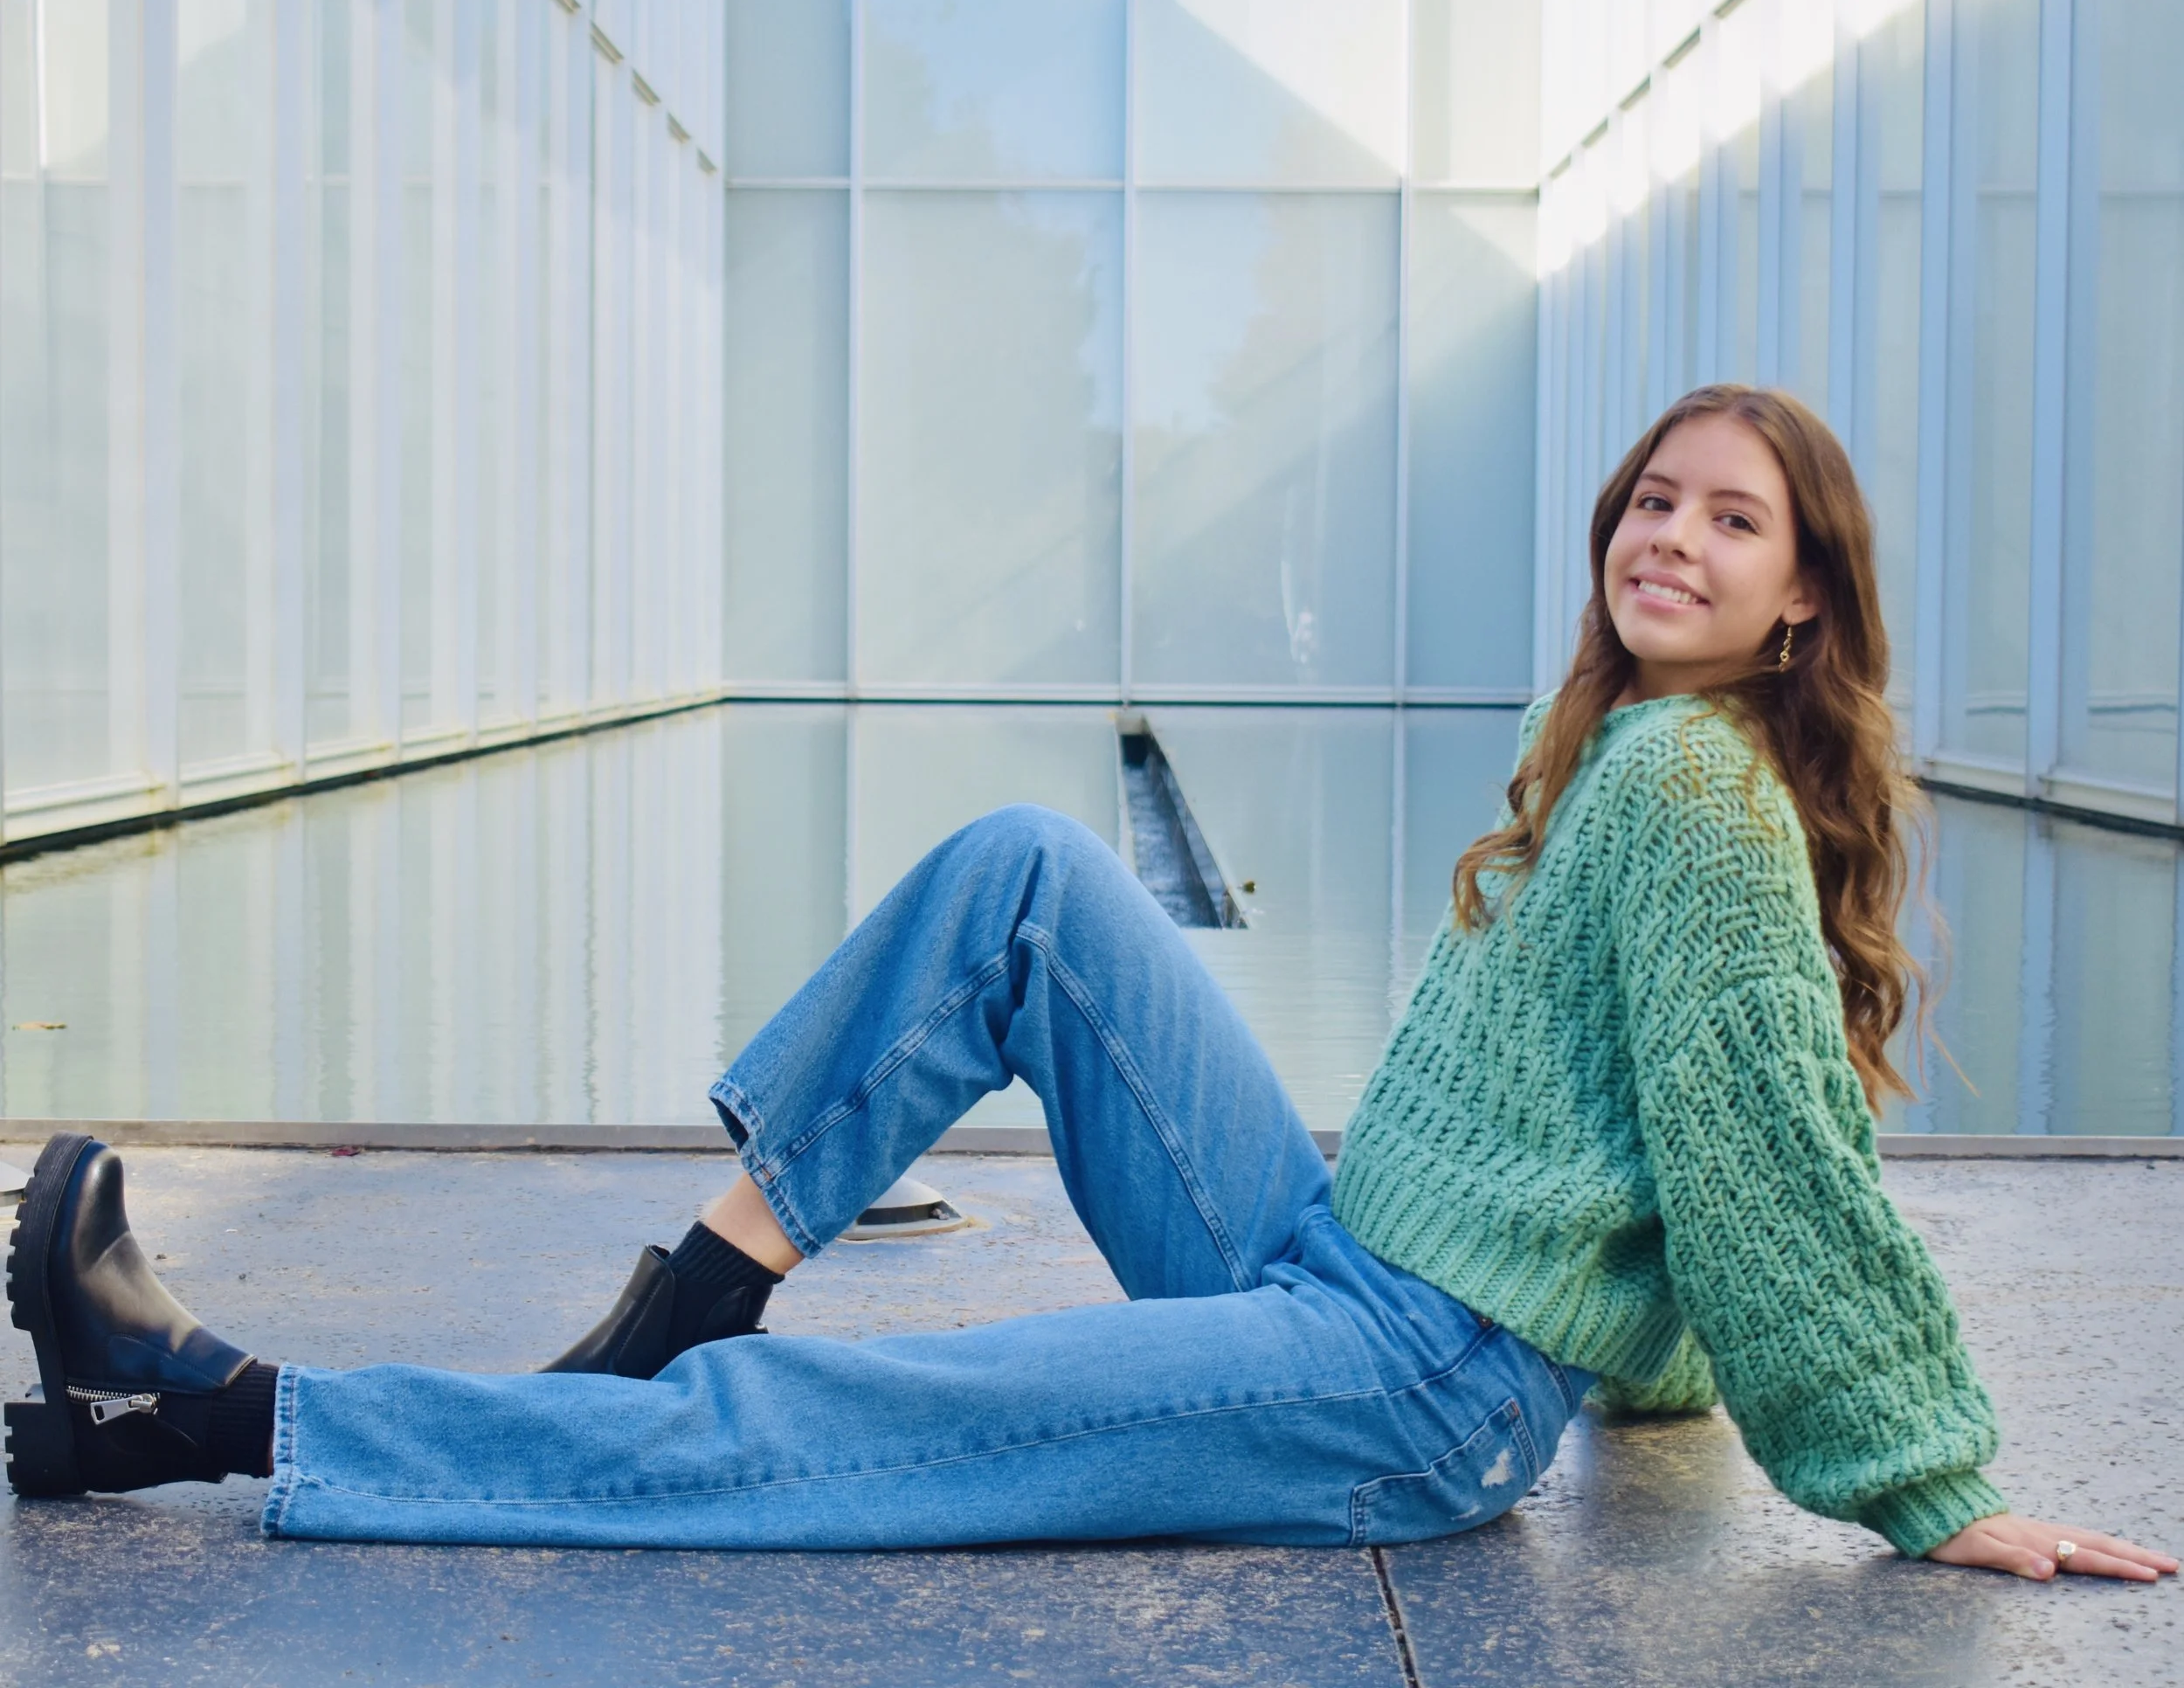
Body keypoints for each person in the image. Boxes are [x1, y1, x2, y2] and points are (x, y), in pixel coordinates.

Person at [6, 386, 2174, 1583]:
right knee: (1035, 874)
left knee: (834, 1430)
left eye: (1729, 524)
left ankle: (207, 1413)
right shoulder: (1627, 755)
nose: (1667, 536)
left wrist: (1924, 1477)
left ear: (1802, 607)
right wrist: (1654, 1371)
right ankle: (695, 1287)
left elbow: (1760, 1151)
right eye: (1648, 500)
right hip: (1335, 1252)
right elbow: (1638, 1134)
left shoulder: (1694, 794)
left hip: (1407, 1389)